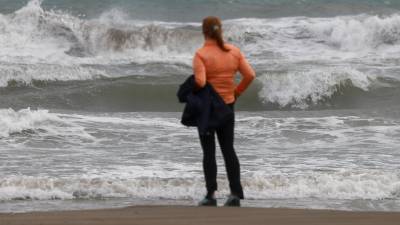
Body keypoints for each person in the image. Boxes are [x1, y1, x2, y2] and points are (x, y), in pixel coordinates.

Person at [193, 16, 256, 207]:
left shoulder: (201, 54)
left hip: (207, 109)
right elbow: (250, 75)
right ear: (220, 30)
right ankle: (235, 194)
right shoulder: (234, 52)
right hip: (228, 105)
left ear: (204, 32)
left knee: (209, 152)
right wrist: (236, 93)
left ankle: (211, 195)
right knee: (228, 149)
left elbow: (201, 82)